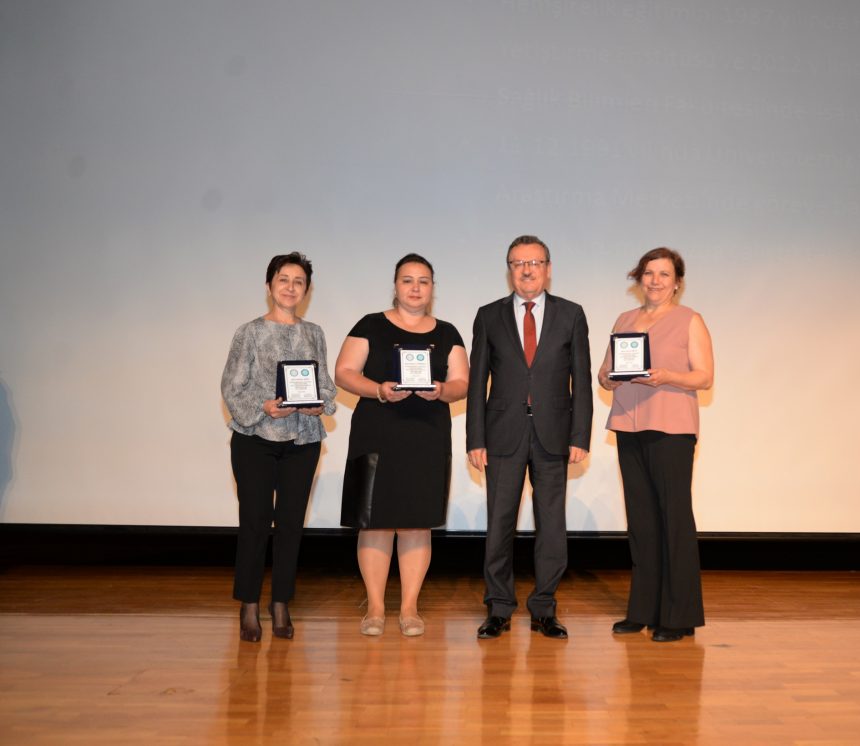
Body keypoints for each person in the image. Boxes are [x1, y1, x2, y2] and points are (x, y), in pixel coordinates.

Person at [335, 254, 469, 637]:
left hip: (425, 436)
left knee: (416, 524)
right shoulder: (370, 325)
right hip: (376, 432)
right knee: (374, 524)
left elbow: (463, 382)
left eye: (423, 281)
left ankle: (409, 608)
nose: (415, 288)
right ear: (394, 286)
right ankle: (375, 608)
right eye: (407, 280)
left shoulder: (447, 333)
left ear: (432, 288)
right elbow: (344, 372)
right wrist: (377, 389)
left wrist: (442, 390)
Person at [467, 235, 593, 639]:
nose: (527, 270)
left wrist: (581, 434)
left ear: (548, 268)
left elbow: (582, 381)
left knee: (551, 525)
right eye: (518, 263)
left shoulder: (572, 314)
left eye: (535, 262)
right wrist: (475, 438)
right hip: (502, 434)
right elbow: (477, 383)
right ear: (509, 270)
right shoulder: (488, 316)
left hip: (554, 435)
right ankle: (499, 607)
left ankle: (544, 608)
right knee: (499, 524)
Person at [597, 247, 714, 642]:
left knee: (674, 520)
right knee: (642, 523)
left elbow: (704, 377)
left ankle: (679, 616)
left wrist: (665, 375)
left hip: (671, 429)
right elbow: (604, 373)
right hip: (630, 428)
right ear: (639, 278)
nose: (656, 281)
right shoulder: (625, 320)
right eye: (649, 273)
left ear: (677, 281)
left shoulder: (689, 320)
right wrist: (610, 379)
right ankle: (642, 610)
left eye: (664, 274)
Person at [221, 252, 337, 642]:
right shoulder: (249, 332)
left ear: (307, 290)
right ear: (270, 285)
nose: (290, 287)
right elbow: (231, 387)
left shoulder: (315, 333)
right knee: (255, 523)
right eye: (283, 279)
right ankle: (249, 605)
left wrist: (320, 404)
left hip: (303, 439)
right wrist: (263, 407)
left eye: (298, 281)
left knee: (290, 525)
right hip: (255, 439)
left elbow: (327, 388)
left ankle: (281, 602)